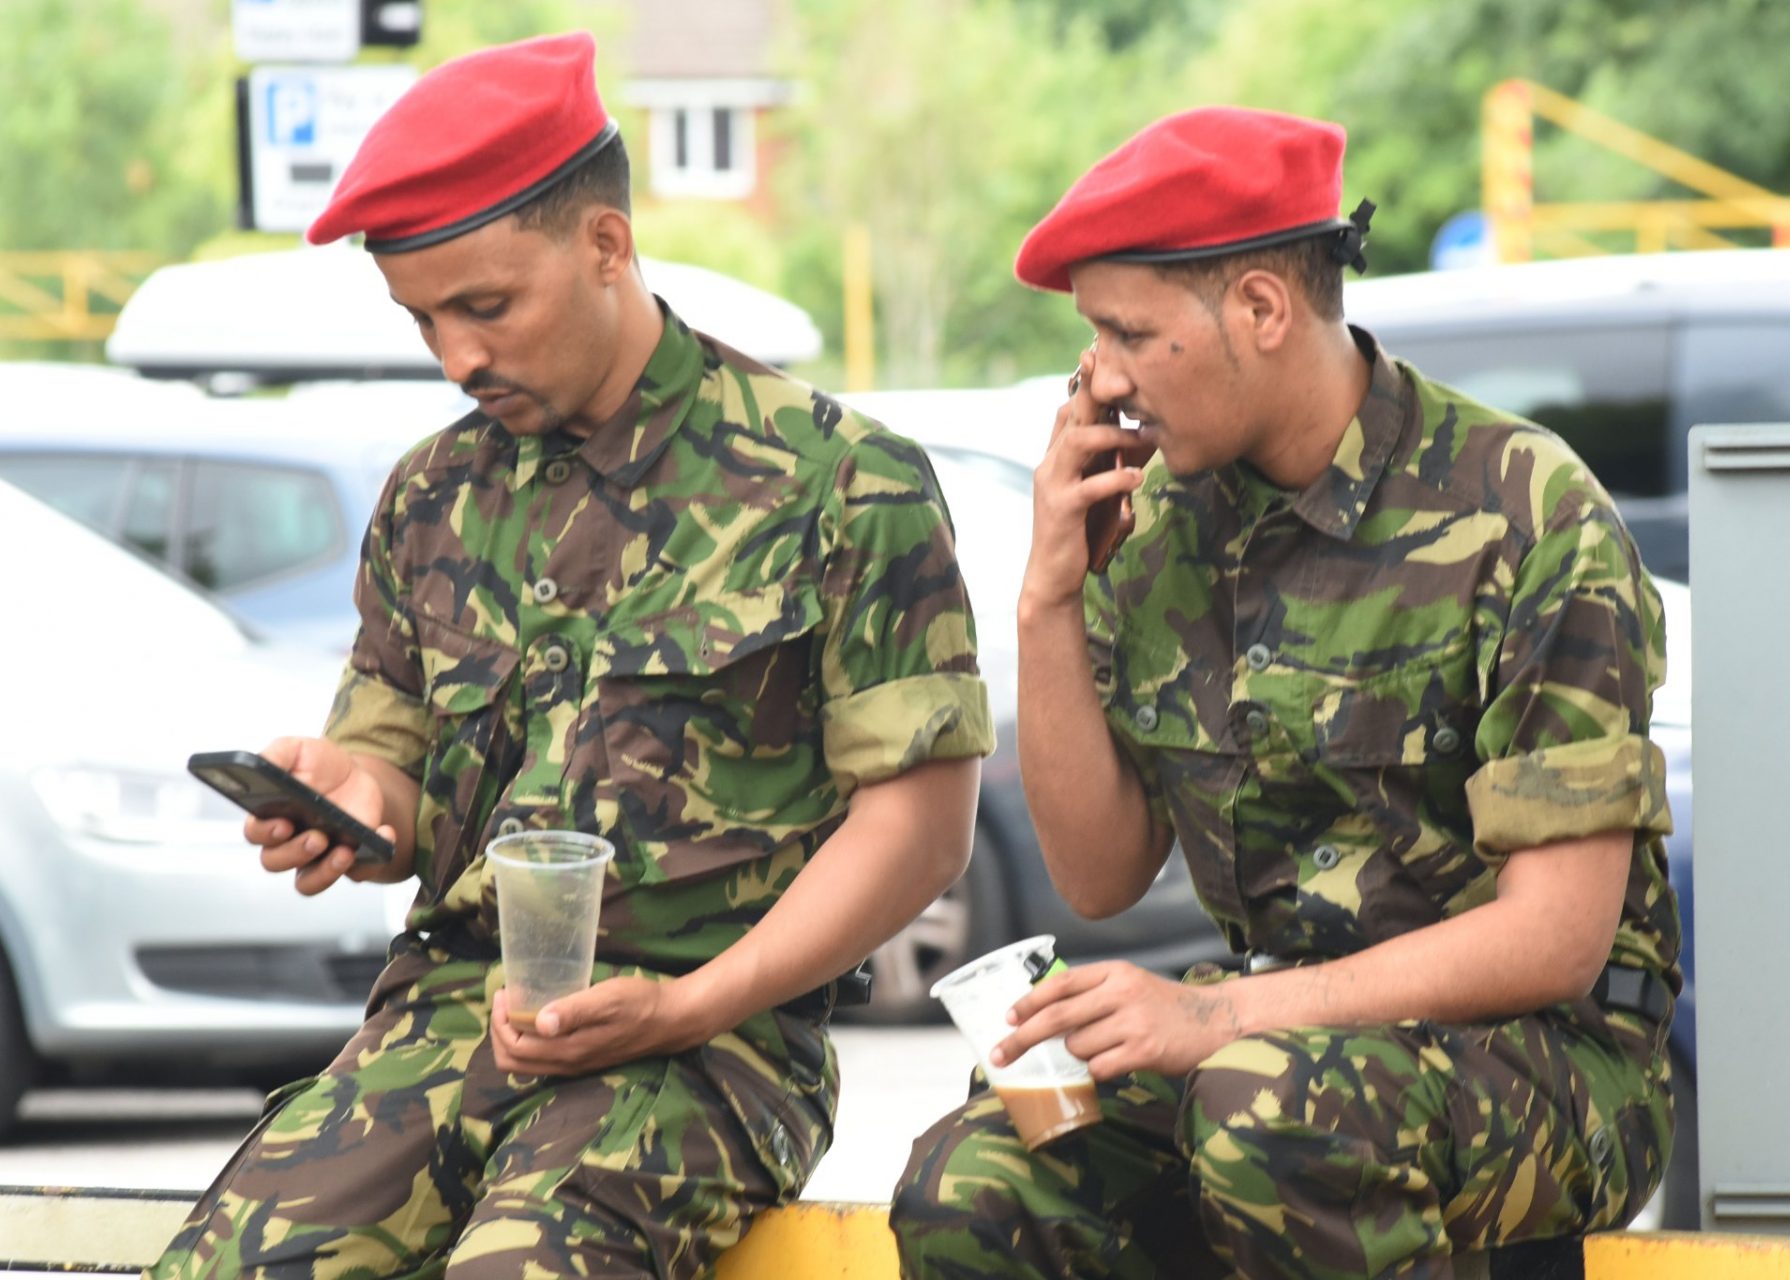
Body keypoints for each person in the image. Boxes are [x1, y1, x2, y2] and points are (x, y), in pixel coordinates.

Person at [148, 31, 994, 1280]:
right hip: (451, 1014)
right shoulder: (433, 494)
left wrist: (693, 1002)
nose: (457, 356)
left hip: (710, 1043)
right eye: (423, 318)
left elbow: (921, 830)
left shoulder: (840, 481)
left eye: (486, 306)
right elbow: (392, 769)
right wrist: (348, 805)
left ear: (607, 245)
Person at [890, 106, 1679, 1279]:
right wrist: (1047, 597)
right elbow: (1100, 875)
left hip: (1548, 1061)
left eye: (1127, 331)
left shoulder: (1523, 509)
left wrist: (1215, 1017)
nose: (1098, 376)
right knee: (971, 1178)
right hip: (1277, 1056)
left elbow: (1557, 937)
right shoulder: (1160, 522)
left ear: (1261, 309)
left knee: (1270, 1113)